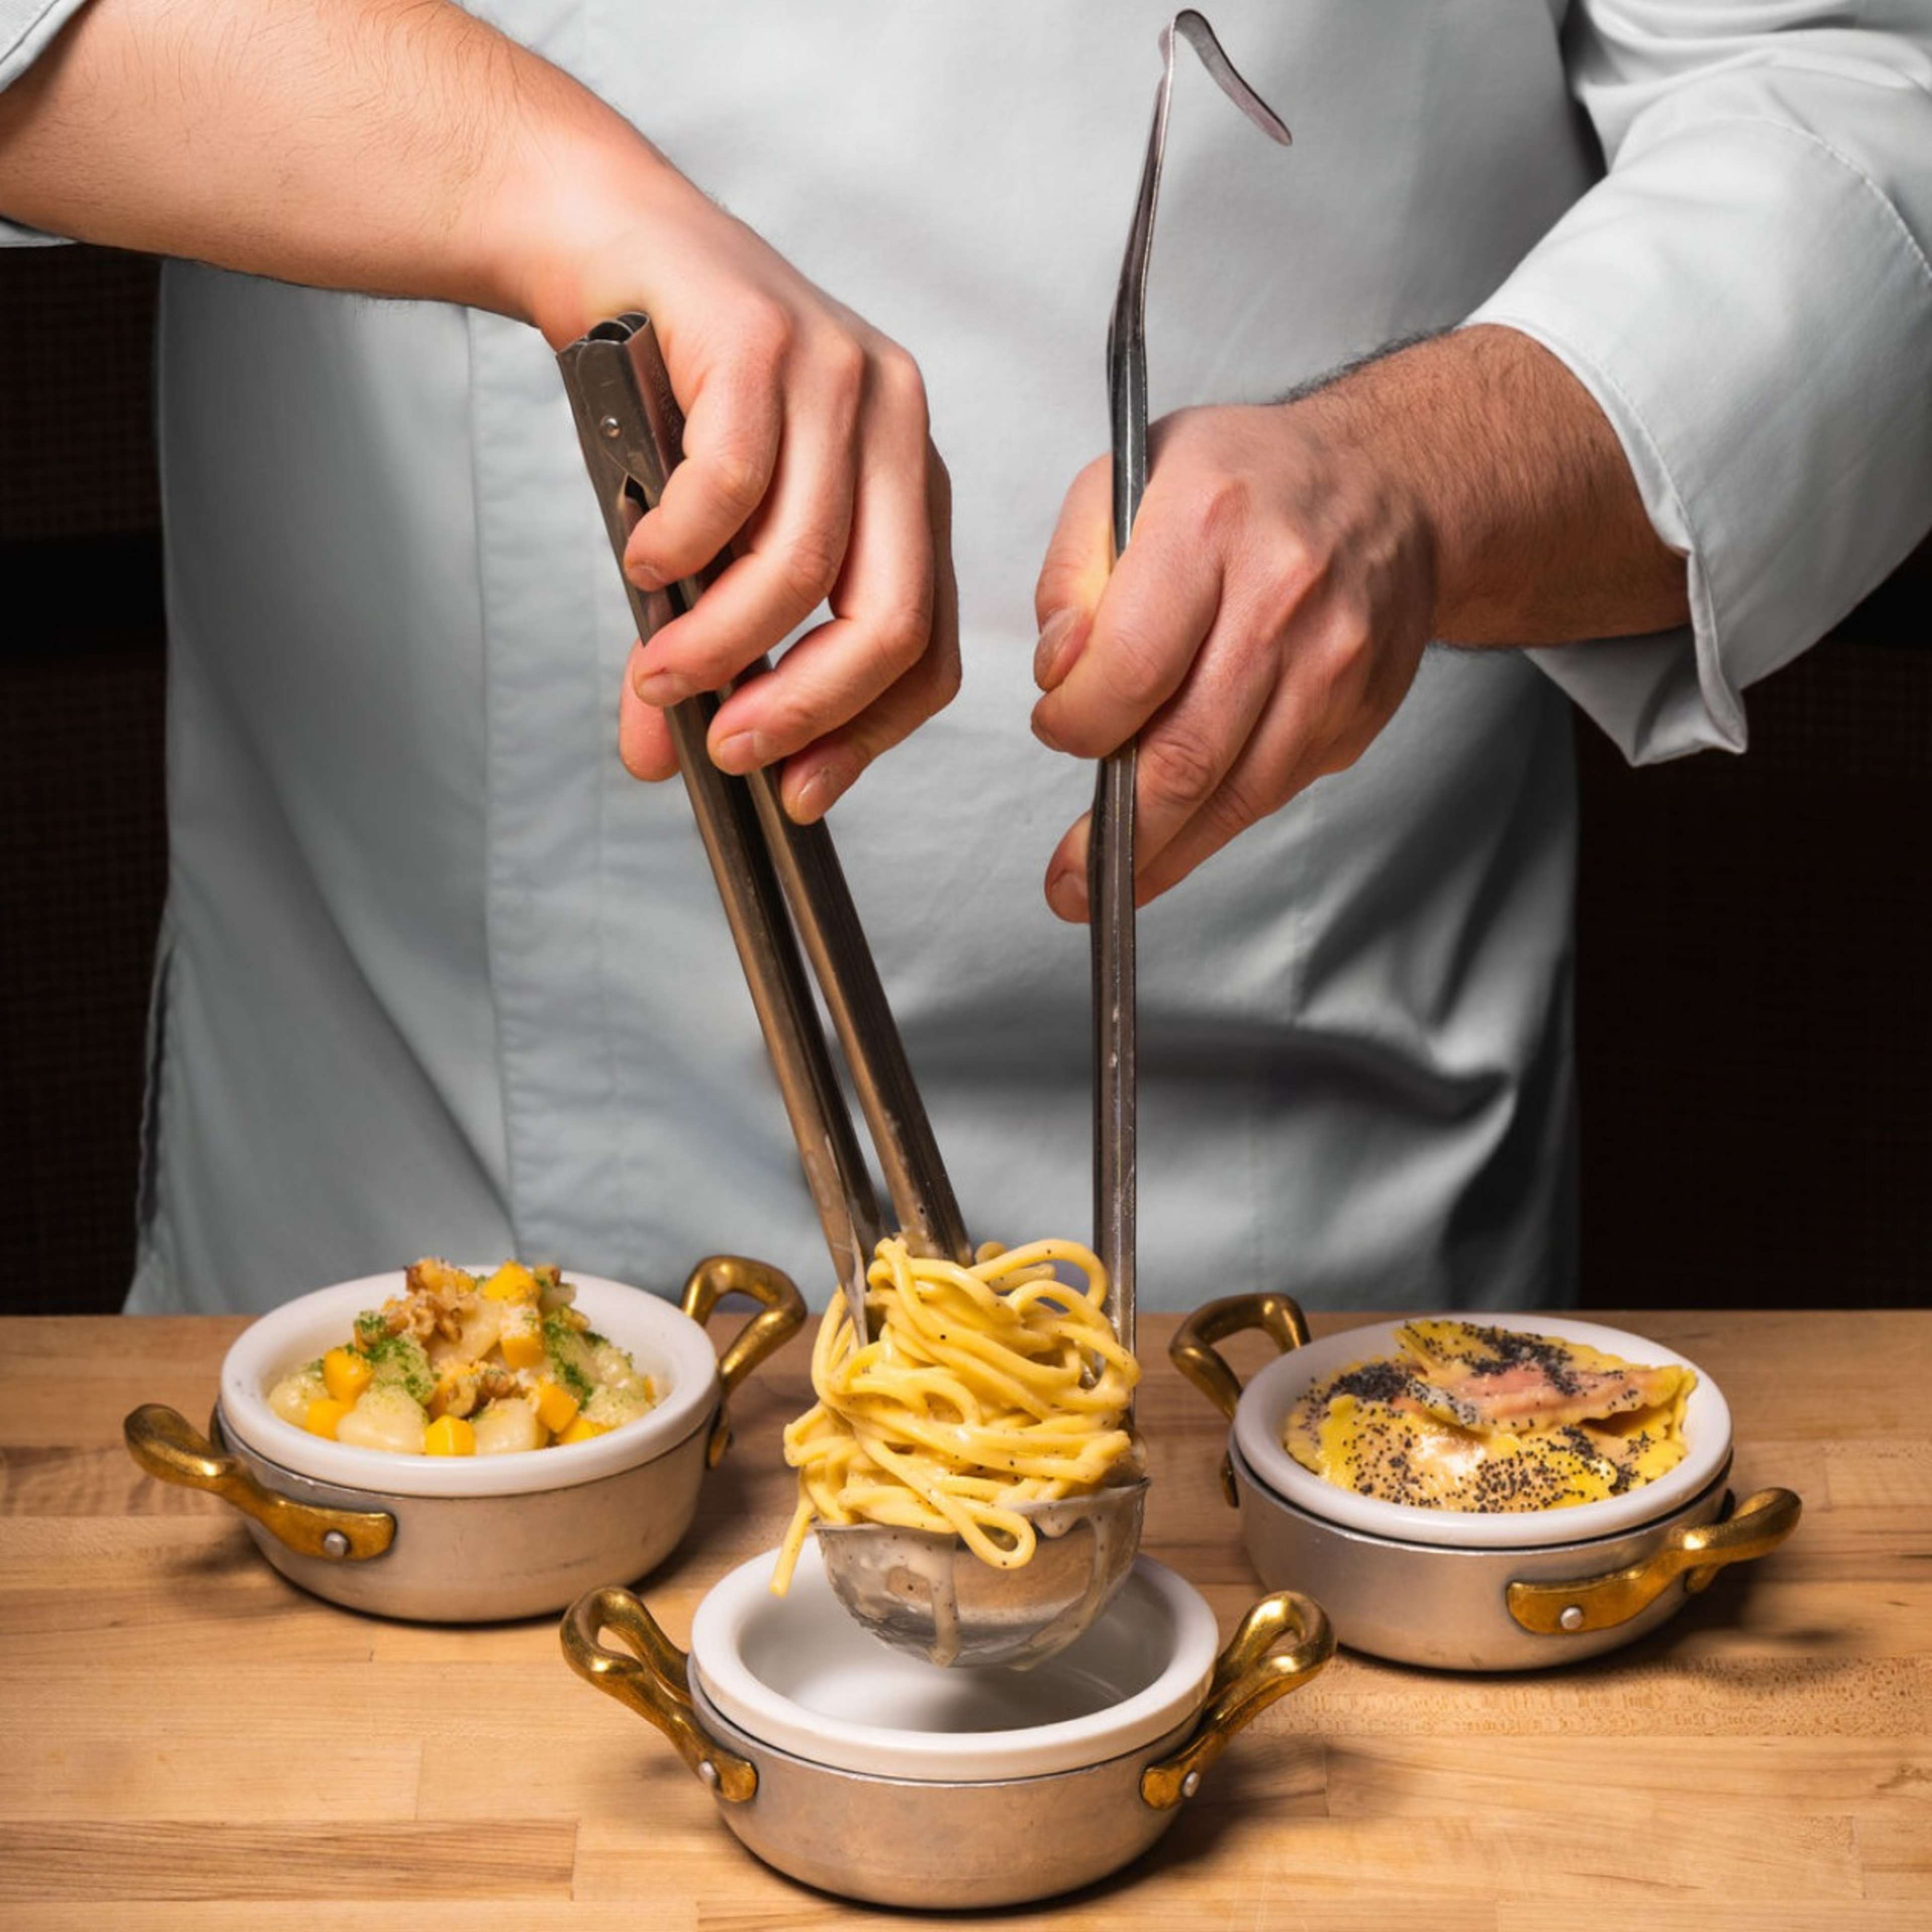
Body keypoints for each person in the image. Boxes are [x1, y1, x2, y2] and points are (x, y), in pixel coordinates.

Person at [3, 2, 1928, 1316]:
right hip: (423, 1224)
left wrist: (1418, 483)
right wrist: (537, 184)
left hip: (1295, 1272)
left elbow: (1852, 102)